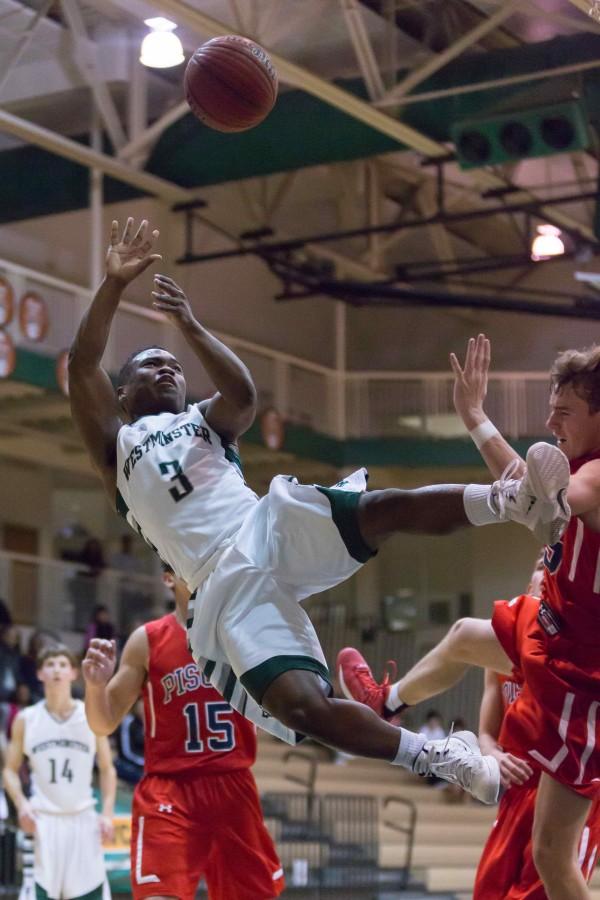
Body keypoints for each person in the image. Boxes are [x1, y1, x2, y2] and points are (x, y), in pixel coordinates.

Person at [67, 217, 571, 804]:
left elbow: (246, 397)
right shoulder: (116, 451)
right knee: (302, 707)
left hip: (262, 528)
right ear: (122, 395)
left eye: (173, 364)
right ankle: (439, 757)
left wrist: (189, 325)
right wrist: (112, 284)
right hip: (219, 586)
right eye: (150, 365)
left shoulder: (203, 420)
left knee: (379, 509)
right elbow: (82, 363)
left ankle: (511, 499)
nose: (168, 369)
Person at [337, 334, 600, 899]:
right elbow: (529, 491)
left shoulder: (595, 473)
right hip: (549, 629)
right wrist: (476, 417)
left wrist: (545, 499)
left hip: (582, 669)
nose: (551, 420)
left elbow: (564, 495)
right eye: (549, 408)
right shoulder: (569, 467)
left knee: (554, 858)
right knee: (461, 636)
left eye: (565, 411)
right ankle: (383, 702)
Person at [82, 566, 284, 900]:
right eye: (186, 563)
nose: (199, 571)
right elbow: (102, 723)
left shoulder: (243, 633)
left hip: (232, 784)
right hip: (170, 789)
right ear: (167, 577)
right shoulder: (147, 640)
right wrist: (94, 685)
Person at [474, 660, 600, 898]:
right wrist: (492, 753)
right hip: (518, 790)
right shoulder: (497, 649)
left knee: (550, 883)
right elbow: (486, 734)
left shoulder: (568, 641)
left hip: (569, 790)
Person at [2, 644, 116, 900]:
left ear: (74, 673)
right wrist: (22, 805)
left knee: (90, 893)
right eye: (50, 664)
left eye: (63, 665)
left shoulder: (90, 715)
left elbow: (108, 769)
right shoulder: (26, 719)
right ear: (40, 674)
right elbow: (9, 771)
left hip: (83, 819)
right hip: (43, 821)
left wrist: (107, 814)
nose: (56, 670)